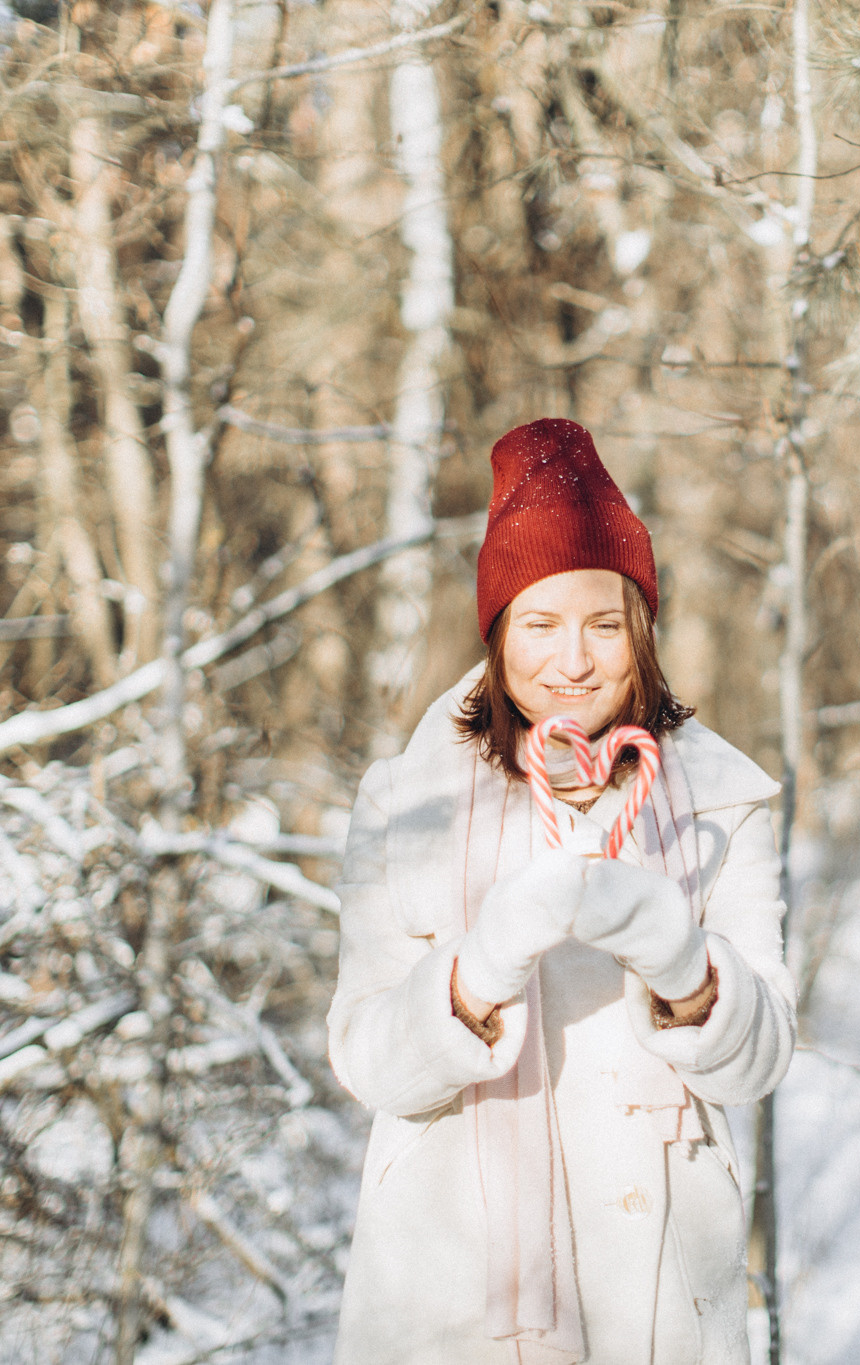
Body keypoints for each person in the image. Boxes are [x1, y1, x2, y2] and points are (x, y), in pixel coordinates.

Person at [326, 418, 795, 1365]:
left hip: (658, 1289)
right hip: (452, 1290)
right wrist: (479, 968)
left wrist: (683, 962)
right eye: (539, 623)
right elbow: (367, 1060)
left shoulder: (723, 800)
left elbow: (762, 1061)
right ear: (498, 633)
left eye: (602, 624)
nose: (572, 659)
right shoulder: (405, 801)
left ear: (642, 629)